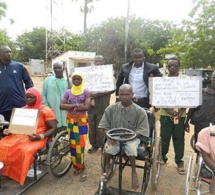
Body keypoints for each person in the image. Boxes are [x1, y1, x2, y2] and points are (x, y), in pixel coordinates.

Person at [0, 87, 57, 185]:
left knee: (24, 150)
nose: (28, 100)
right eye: (27, 97)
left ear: (38, 98)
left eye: (32, 97)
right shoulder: (22, 110)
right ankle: (7, 171)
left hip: (38, 137)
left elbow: (54, 128)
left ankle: (19, 174)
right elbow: (16, 127)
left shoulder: (46, 111)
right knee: (3, 145)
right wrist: (9, 131)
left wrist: (40, 136)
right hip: (20, 135)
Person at [98, 84, 149, 190]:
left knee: (131, 148)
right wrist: (109, 136)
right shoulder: (111, 109)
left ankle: (133, 171)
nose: (124, 97)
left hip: (132, 137)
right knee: (109, 148)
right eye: (122, 94)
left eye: (127, 94)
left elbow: (142, 130)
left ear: (132, 95)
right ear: (118, 95)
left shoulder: (140, 111)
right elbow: (103, 126)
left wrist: (132, 135)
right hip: (115, 137)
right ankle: (107, 166)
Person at [60, 71, 91, 182]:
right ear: (72, 80)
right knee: (73, 144)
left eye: (79, 79)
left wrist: (70, 106)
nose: (76, 81)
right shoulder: (68, 92)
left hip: (81, 121)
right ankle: (76, 165)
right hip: (71, 121)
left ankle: (81, 167)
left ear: (82, 80)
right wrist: (77, 105)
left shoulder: (86, 91)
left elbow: (87, 106)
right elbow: (61, 106)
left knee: (80, 144)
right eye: (74, 79)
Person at [159, 57, 187, 175]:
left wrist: (180, 112)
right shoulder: (162, 80)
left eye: (175, 66)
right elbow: (158, 97)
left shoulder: (185, 80)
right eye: (170, 66)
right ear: (167, 67)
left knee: (179, 138)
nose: (172, 68)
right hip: (165, 115)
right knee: (164, 138)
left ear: (179, 67)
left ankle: (179, 162)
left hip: (180, 116)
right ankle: (162, 157)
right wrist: (168, 110)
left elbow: (189, 97)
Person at [88, 55, 115, 154]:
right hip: (90, 103)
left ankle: (102, 144)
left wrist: (98, 95)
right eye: (96, 61)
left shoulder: (108, 73)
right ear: (94, 62)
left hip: (103, 102)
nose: (98, 63)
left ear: (104, 61)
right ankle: (93, 144)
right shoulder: (89, 73)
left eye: (100, 61)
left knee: (101, 124)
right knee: (91, 124)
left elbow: (113, 89)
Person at [0, 44, 34, 122]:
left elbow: (29, 83)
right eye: (5, 52)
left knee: (19, 129)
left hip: (19, 105)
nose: (9, 54)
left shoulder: (19, 66)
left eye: (10, 52)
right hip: (2, 106)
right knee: (4, 131)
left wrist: (29, 98)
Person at [184, 71, 215, 148]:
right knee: (198, 145)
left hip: (213, 125)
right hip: (199, 123)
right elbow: (192, 108)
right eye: (214, 78)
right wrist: (186, 122)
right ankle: (198, 158)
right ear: (211, 78)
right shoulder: (201, 92)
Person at [42, 61, 68, 133]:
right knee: (53, 131)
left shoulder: (68, 81)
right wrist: (48, 109)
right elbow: (43, 95)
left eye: (59, 68)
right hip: (52, 110)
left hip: (65, 112)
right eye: (55, 68)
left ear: (63, 69)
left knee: (65, 131)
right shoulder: (48, 81)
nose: (57, 70)